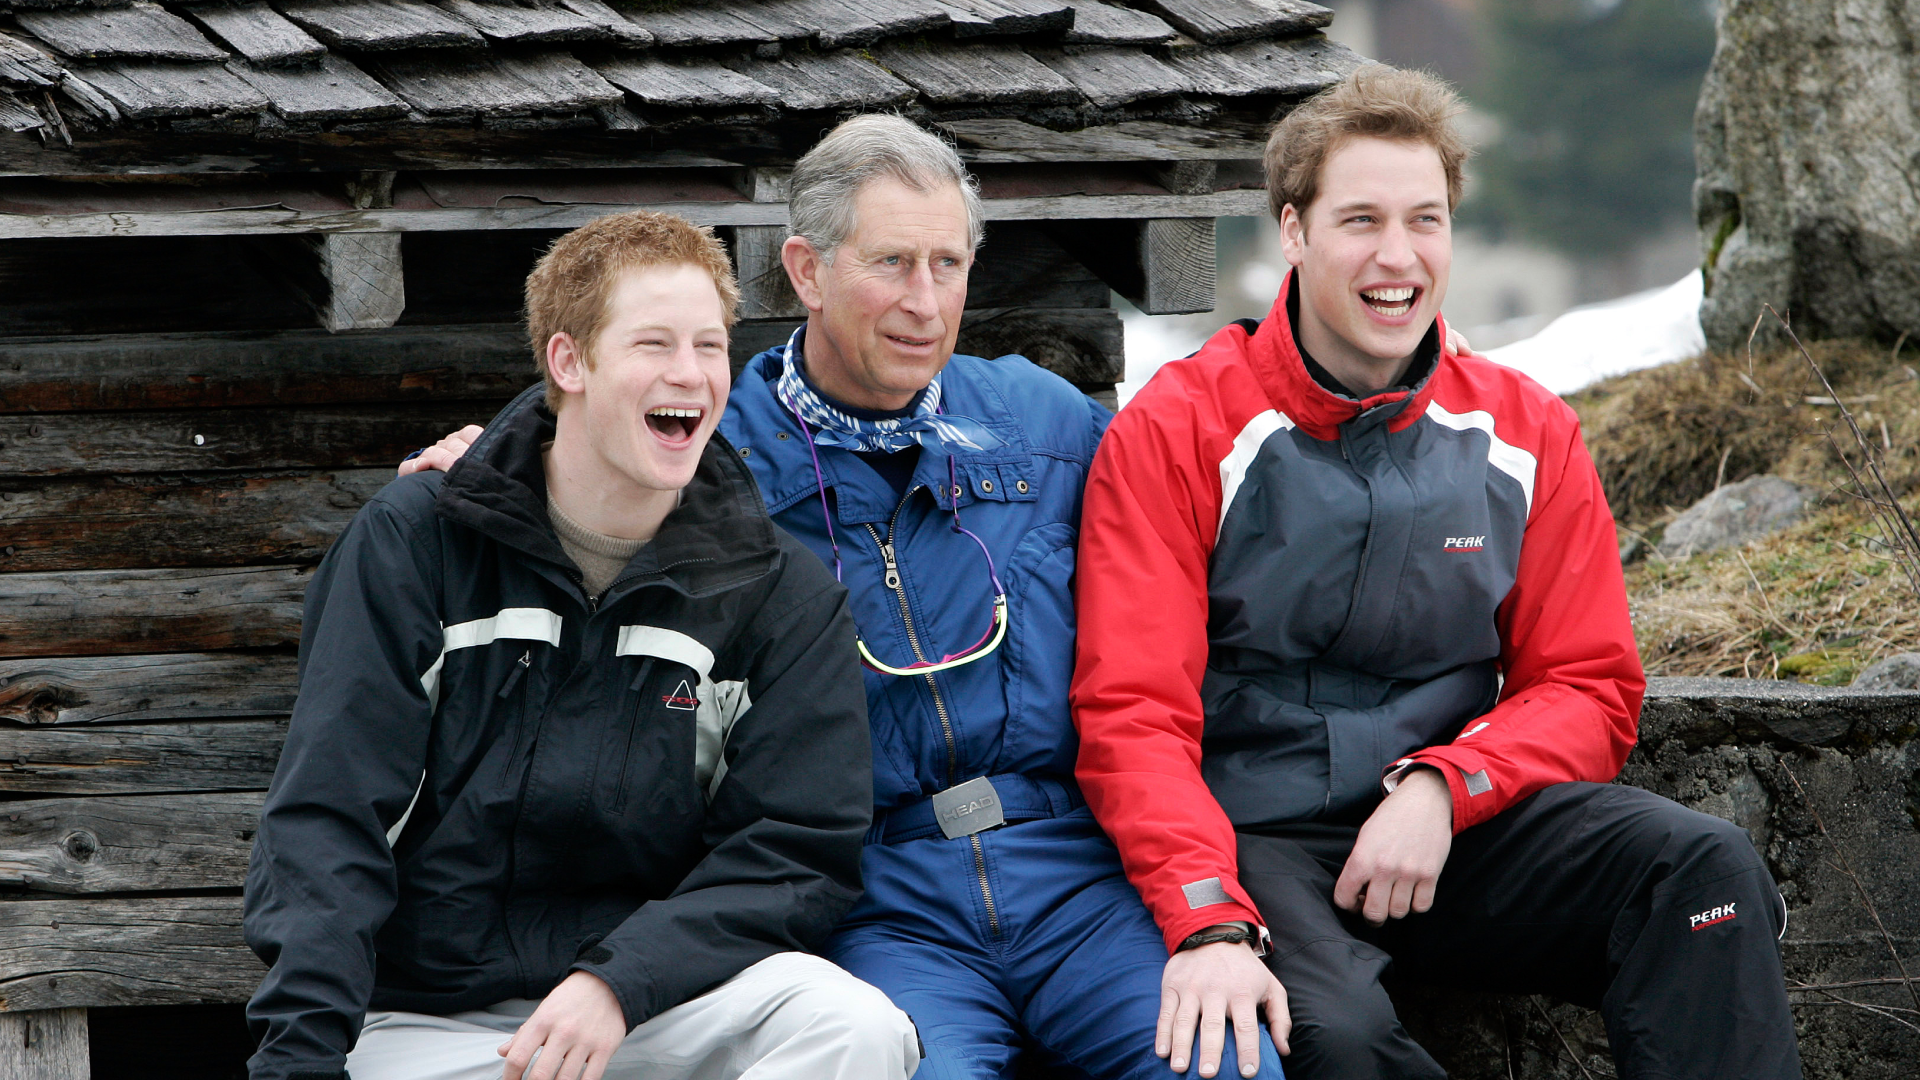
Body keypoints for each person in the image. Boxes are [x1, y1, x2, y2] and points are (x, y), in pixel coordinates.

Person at [403, 115, 1286, 1080]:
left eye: (948, 264)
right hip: (876, 895)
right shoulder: (709, 449)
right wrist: (496, 458)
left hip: (1075, 872)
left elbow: (1202, 446)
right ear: (807, 271)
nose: (925, 300)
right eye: (892, 263)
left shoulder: (1040, 421)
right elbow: (585, 447)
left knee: (1226, 1062)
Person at [1069, 65, 1802, 1080]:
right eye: (1360, 220)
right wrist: (1206, 913)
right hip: (1257, 842)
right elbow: (1131, 714)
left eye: (1426, 220)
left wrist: (1447, 785)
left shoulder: (1527, 431)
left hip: (1453, 831)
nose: (1398, 257)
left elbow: (1589, 685)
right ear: (1293, 232)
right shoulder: (1180, 428)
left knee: (1703, 873)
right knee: (1336, 1046)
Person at [245, 210, 920, 1080]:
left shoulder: (781, 594)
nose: (690, 375)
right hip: (435, 1020)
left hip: (661, 1002)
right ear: (569, 362)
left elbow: (795, 850)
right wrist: (299, 1056)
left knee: (851, 1026)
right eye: (653, 345)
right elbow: (328, 818)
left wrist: (619, 981)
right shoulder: (414, 546)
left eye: (710, 347)